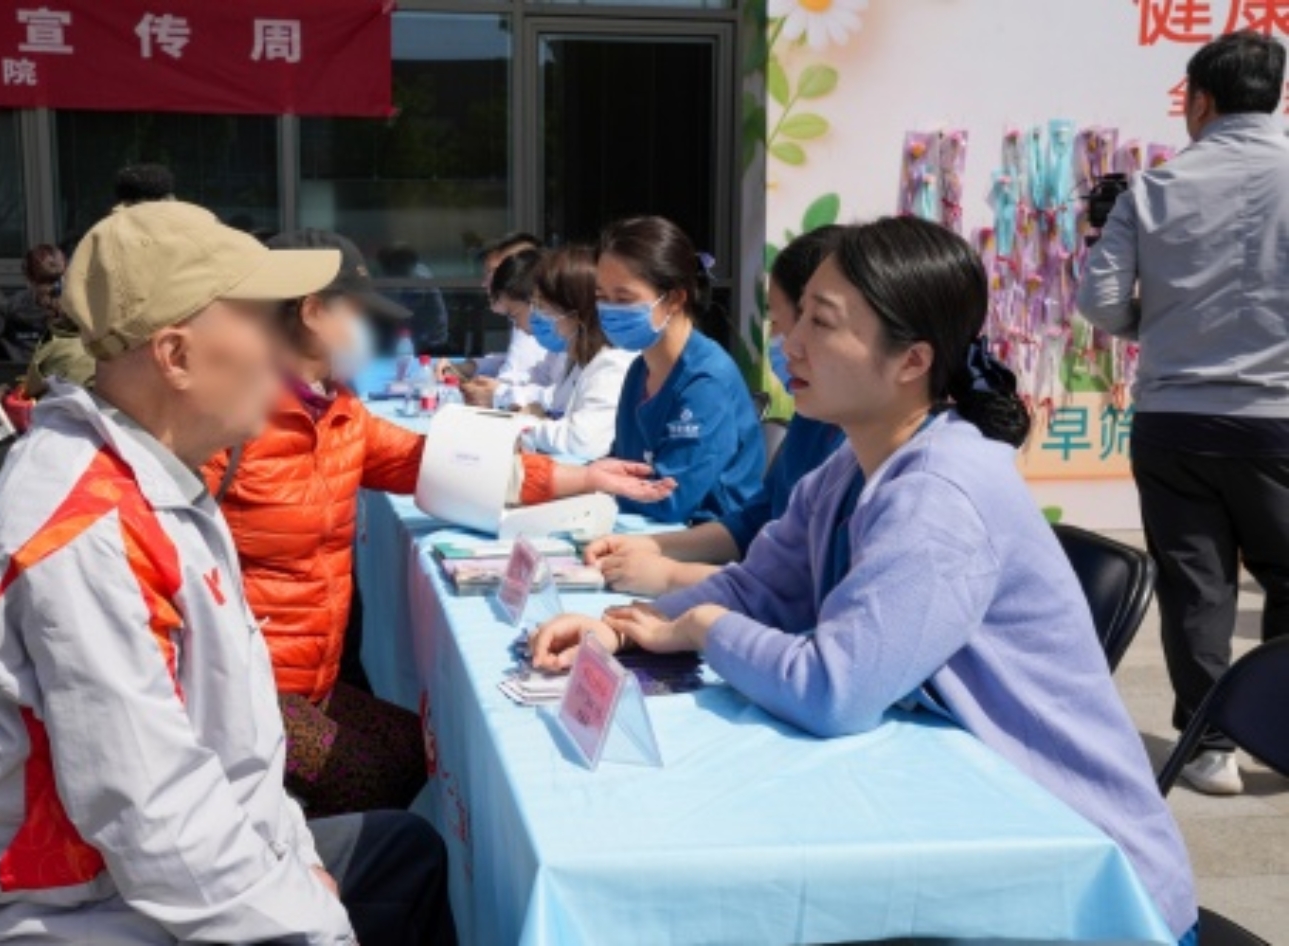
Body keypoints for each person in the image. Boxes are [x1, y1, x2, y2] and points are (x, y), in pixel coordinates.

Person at [532, 217, 1198, 946]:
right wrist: (623, 628)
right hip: (972, 827)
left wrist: (700, 628)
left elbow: (833, 690)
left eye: (820, 323)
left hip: (1082, 885)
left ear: (911, 360)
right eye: (795, 318)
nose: (791, 343)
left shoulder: (938, 496)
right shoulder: (851, 465)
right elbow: (757, 588)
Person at [0, 201, 457, 946]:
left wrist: (296, 860)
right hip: (87, 914)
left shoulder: (154, 475)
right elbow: (156, 827)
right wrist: (313, 920)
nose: (283, 347)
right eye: (261, 320)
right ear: (176, 357)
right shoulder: (88, 535)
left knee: (403, 853)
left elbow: (235, 748)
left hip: (151, 877)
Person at [203, 228, 675, 820]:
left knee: (415, 750)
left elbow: (438, 463)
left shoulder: (339, 410)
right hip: (242, 688)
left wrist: (584, 478)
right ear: (313, 311)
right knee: (374, 782)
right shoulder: (227, 420)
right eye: (358, 313)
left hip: (309, 678)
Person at [1078, 30, 1289, 797]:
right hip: (1279, 416)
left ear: (1198, 101)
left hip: (1173, 418)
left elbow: (1100, 302)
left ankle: (1210, 746)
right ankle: (1280, 727)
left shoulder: (1151, 188)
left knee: (1196, 586)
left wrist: (1157, 326)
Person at [585, 228, 846, 593]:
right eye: (602, 298)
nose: (790, 346)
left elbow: (811, 588)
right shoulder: (813, 418)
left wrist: (670, 575)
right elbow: (758, 520)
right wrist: (651, 546)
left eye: (819, 323)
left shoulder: (707, 379)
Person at [600, 215, 764, 524]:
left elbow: (671, 500)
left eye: (623, 299)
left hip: (705, 539)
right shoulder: (640, 369)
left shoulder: (706, 381)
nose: (608, 310)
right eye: (601, 297)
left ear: (674, 298)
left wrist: (595, 487)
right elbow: (621, 463)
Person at [519, 245, 637, 461]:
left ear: (575, 311)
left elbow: (583, 441)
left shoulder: (612, 364)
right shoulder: (577, 360)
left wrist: (526, 426)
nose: (538, 313)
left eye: (543, 305)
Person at [460, 249, 566, 410]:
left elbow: (564, 398)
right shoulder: (559, 345)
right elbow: (541, 375)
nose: (517, 326)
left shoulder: (590, 349)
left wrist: (501, 395)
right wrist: (497, 388)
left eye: (515, 315)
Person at [437, 231, 545, 387]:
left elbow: (514, 378)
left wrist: (491, 390)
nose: (485, 283)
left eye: (495, 273)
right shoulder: (525, 316)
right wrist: (470, 367)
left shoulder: (540, 321)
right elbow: (519, 362)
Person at [0, 244, 65, 362]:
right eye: (44, 282)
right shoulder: (12, 309)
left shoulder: (76, 306)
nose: (50, 289)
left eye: (54, 281)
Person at [378, 242, 449, 351]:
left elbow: (405, 314)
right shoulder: (410, 271)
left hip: (429, 339)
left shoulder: (419, 279)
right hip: (410, 337)